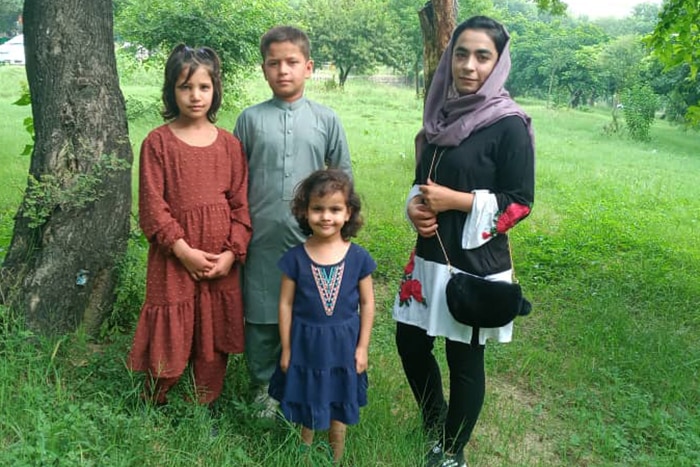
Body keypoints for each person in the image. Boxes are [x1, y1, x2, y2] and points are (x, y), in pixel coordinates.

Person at [392, 16, 535, 467]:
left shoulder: (508, 124)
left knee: (464, 358)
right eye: (461, 53)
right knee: (410, 343)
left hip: (474, 264)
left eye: (482, 56)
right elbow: (423, 183)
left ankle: (453, 452)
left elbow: (520, 203)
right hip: (430, 255)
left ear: (498, 63)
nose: (468, 65)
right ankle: (434, 424)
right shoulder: (440, 114)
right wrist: (415, 205)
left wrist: (457, 201)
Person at [233, 25, 352, 415]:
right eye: (274, 63)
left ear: (309, 67)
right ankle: (264, 386)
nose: (283, 70)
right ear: (264, 69)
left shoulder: (326, 119)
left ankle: (304, 381)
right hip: (261, 235)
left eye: (292, 62)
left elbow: (342, 180)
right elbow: (234, 181)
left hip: (311, 239)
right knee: (262, 311)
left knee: (311, 311)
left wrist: (337, 233)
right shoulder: (250, 120)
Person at [128, 44, 252, 406]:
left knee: (212, 334)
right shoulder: (157, 143)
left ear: (215, 91)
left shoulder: (229, 145)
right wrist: (183, 252)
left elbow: (242, 206)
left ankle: (204, 404)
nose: (195, 96)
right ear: (171, 90)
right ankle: (156, 398)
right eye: (185, 87)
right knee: (172, 325)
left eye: (203, 87)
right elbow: (152, 208)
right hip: (175, 258)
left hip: (219, 262)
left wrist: (230, 255)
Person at [267, 169, 376, 463]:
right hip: (306, 346)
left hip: (343, 347)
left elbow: (367, 304)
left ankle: (334, 459)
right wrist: (287, 348)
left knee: (339, 409)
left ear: (348, 212)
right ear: (305, 212)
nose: (326, 217)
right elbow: (285, 305)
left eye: (335, 209)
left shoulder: (359, 258)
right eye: (318, 209)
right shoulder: (295, 258)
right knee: (308, 408)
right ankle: (304, 458)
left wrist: (362, 347)